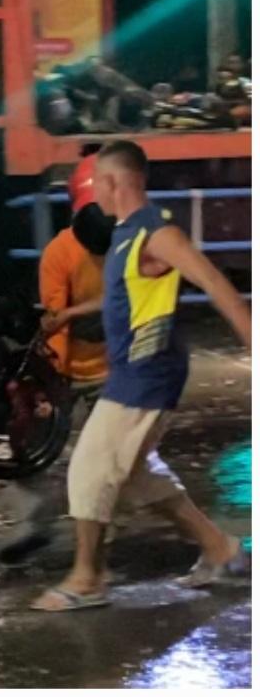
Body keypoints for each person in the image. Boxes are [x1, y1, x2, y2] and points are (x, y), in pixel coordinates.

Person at [31, 141, 251, 612]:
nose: (96, 201)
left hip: (148, 374)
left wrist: (253, 339)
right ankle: (222, 552)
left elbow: (213, 280)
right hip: (136, 371)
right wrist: (69, 312)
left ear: (111, 183)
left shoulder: (156, 233)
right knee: (133, 473)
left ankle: (88, 577)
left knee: (90, 469)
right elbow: (120, 297)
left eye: (96, 190)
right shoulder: (127, 235)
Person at [0, 154, 114, 563]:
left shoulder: (135, 247)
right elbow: (54, 320)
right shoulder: (60, 254)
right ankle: (35, 525)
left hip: (114, 371)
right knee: (30, 444)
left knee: (111, 460)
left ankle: (97, 537)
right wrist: (48, 384)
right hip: (68, 371)